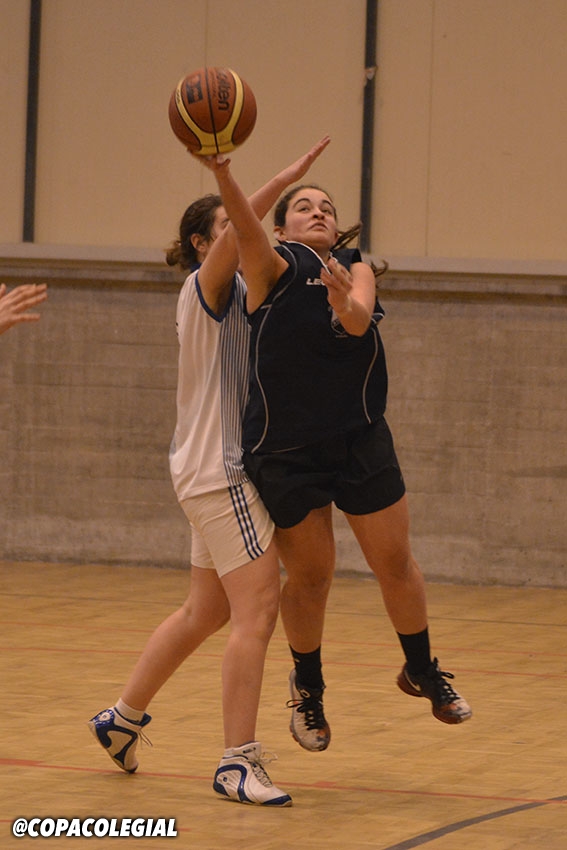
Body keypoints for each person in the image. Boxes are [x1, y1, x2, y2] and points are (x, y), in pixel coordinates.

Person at [88, 137, 330, 805]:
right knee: (258, 609)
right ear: (202, 244)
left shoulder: (255, 291)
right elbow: (243, 233)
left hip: (203, 468)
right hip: (221, 471)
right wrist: (271, 176)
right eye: (228, 224)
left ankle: (121, 718)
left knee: (206, 610)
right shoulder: (206, 285)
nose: (245, 230)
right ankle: (236, 763)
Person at [206, 147, 472, 755]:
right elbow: (243, 223)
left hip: (357, 436)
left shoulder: (353, 267)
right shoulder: (269, 265)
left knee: (395, 562)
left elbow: (356, 322)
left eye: (326, 206)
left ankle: (421, 668)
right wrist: (225, 173)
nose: (319, 211)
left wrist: (341, 301)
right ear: (281, 227)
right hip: (286, 449)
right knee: (313, 575)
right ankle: (310, 689)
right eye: (304, 206)